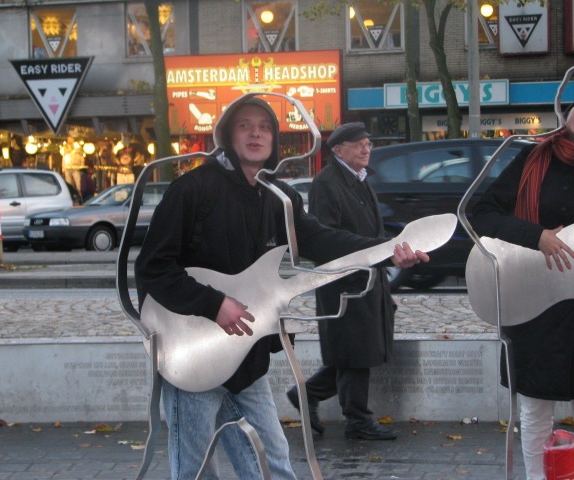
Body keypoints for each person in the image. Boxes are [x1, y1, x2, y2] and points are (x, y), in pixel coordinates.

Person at [134, 96, 428, 479]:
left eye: (264, 127)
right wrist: (213, 303)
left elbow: (324, 241)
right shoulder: (191, 190)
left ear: (274, 138)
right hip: (191, 358)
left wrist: (389, 252)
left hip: (247, 359)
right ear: (227, 134)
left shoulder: (279, 197)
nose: (255, 133)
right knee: (195, 472)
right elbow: (153, 268)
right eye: (245, 125)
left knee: (274, 468)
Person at [471, 108, 574, 480]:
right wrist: (536, 236)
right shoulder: (535, 157)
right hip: (535, 302)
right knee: (535, 407)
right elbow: (481, 213)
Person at [286, 122, 398, 441]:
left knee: (359, 349)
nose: (366, 149)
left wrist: (386, 252)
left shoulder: (360, 179)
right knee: (355, 350)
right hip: (345, 282)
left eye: (368, 144)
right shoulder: (327, 184)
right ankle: (357, 420)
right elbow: (326, 238)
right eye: (358, 144)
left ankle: (307, 394)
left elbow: (371, 230)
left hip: (368, 275)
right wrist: (375, 253)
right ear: (338, 150)